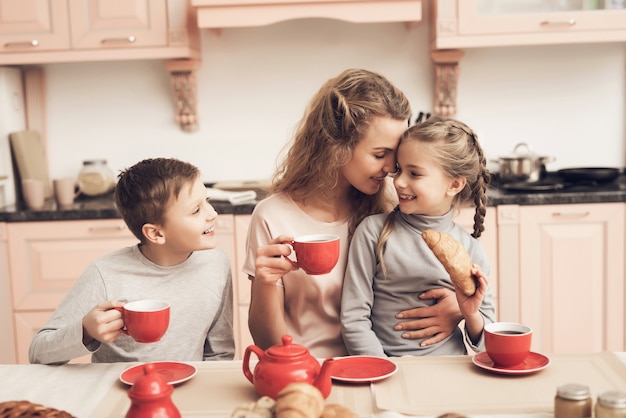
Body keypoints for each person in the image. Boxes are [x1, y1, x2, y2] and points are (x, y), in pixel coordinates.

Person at [244, 68, 463, 359]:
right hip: (309, 372)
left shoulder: (388, 208)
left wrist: (457, 307)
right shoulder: (272, 216)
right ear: (336, 148)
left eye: (394, 155)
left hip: (383, 368)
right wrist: (266, 282)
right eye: (379, 154)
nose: (391, 169)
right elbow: (267, 344)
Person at [29, 158, 235, 364]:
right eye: (196, 210)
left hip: (188, 390)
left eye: (206, 201)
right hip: (122, 392)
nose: (213, 214)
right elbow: (38, 353)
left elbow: (220, 353)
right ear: (155, 233)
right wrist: (86, 331)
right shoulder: (106, 273)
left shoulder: (216, 264)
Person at [341, 116, 496, 357]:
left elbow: (487, 344)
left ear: (454, 185)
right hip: (387, 369)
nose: (398, 181)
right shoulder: (373, 231)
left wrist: (469, 313)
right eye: (400, 170)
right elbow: (354, 320)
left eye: (415, 174)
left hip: (449, 368)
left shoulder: (470, 250)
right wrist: (383, 370)